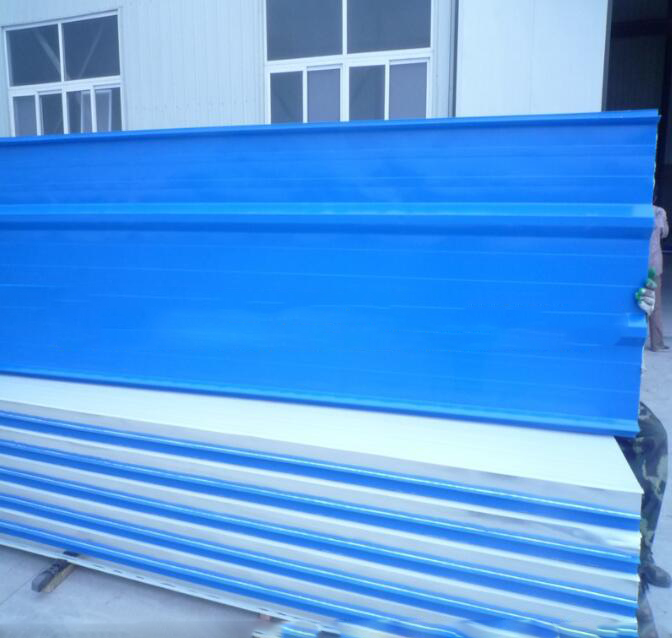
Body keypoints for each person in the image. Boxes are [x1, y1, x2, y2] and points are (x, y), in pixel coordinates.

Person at [620, 273, 671, 638]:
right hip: (539, 371)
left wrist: (634, 310)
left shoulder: (608, 249)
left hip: (595, 375)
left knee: (652, 438)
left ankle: (640, 556)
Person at [648, 204, 669, 351]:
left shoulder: (632, 209)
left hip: (634, 266)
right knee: (654, 305)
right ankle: (657, 343)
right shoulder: (658, 211)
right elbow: (664, 232)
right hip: (652, 267)